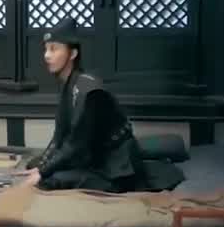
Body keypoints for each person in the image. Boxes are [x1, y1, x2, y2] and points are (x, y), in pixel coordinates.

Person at [19, 17, 178, 193]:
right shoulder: (69, 83)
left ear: (72, 54)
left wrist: (43, 173)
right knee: (34, 165)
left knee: (49, 181)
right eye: (46, 49)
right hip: (91, 155)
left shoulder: (89, 90)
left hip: (113, 165)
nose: (46, 55)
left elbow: (75, 145)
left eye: (54, 49)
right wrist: (41, 166)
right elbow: (60, 135)